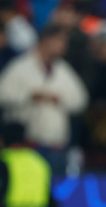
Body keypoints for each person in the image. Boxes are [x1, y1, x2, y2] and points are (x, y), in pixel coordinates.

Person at [0, 24, 88, 173]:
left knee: (55, 192)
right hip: (25, 146)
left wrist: (58, 99)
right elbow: (3, 94)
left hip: (56, 146)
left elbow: (81, 100)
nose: (63, 46)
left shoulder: (63, 69)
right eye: (60, 41)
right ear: (46, 40)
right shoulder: (20, 66)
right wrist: (30, 96)